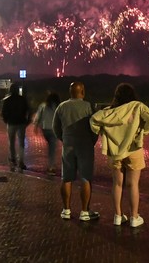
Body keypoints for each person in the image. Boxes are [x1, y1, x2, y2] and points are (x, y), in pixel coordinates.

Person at [90, 83, 149, 228]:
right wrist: (142, 132)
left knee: (117, 184)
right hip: (133, 150)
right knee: (133, 184)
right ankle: (134, 217)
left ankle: (118, 216)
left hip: (115, 153)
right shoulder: (137, 106)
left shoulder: (109, 112)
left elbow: (93, 120)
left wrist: (102, 132)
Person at [53, 81, 99, 222]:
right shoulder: (89, 106)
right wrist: (91, 141)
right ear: (82, 92)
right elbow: (95, 128)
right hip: (85, 146)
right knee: (85, 178)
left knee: (66, 178)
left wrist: (64, 139)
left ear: (70, 91)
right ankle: (84, 211)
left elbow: (56, 128)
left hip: (68, 146)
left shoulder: (61, 107)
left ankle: (66, 210)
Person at [0, 83, 30, 172]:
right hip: (21, 122)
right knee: (21, 143)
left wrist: (6, 120)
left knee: (11, 142)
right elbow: (28, 110)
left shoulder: (7, 100)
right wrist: (26, 121)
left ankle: (13, 159)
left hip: (11, 122)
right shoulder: (23, 99)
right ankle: (21, 162)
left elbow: (3, 112)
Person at [33, 91, 60, 174]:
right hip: (54, 130)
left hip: (45, 129)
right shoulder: (58, 107)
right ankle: (51, 167)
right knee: (52, 148)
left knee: (51, 147)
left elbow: (38, 117)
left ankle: (51, 165)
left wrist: (36, 126)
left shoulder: (43, 106)